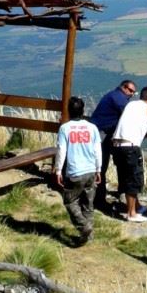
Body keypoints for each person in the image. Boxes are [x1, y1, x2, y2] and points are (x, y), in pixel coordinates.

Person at [112, 86, 147, 222]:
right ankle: (131, 213)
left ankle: (135, 206)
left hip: (117, 145)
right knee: (134, 179)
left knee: (125, 178)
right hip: (130, 147)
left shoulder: (131, 104)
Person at [54, 96, 102, 245]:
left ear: (69, 111)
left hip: (75, 171)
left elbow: (62, 150)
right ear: (83, 110)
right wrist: (98, 169)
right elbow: (97, 150)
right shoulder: (92, 127)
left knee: (70, 201)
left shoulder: (65, 128)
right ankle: (89, 235)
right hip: (90, 170)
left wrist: (58, 170)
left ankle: (84, 227)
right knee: (88, 204)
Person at [90, 79, 137, 209]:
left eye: (134, 92)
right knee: (102, 166)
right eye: (130, 90)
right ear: (124, 87)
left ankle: (103, 197)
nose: (132, 94)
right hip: (102, 134)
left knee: (115, 163)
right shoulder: (119, 98)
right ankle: (99, 200)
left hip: (104, 133)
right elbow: (129, 116)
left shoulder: (114, 95)